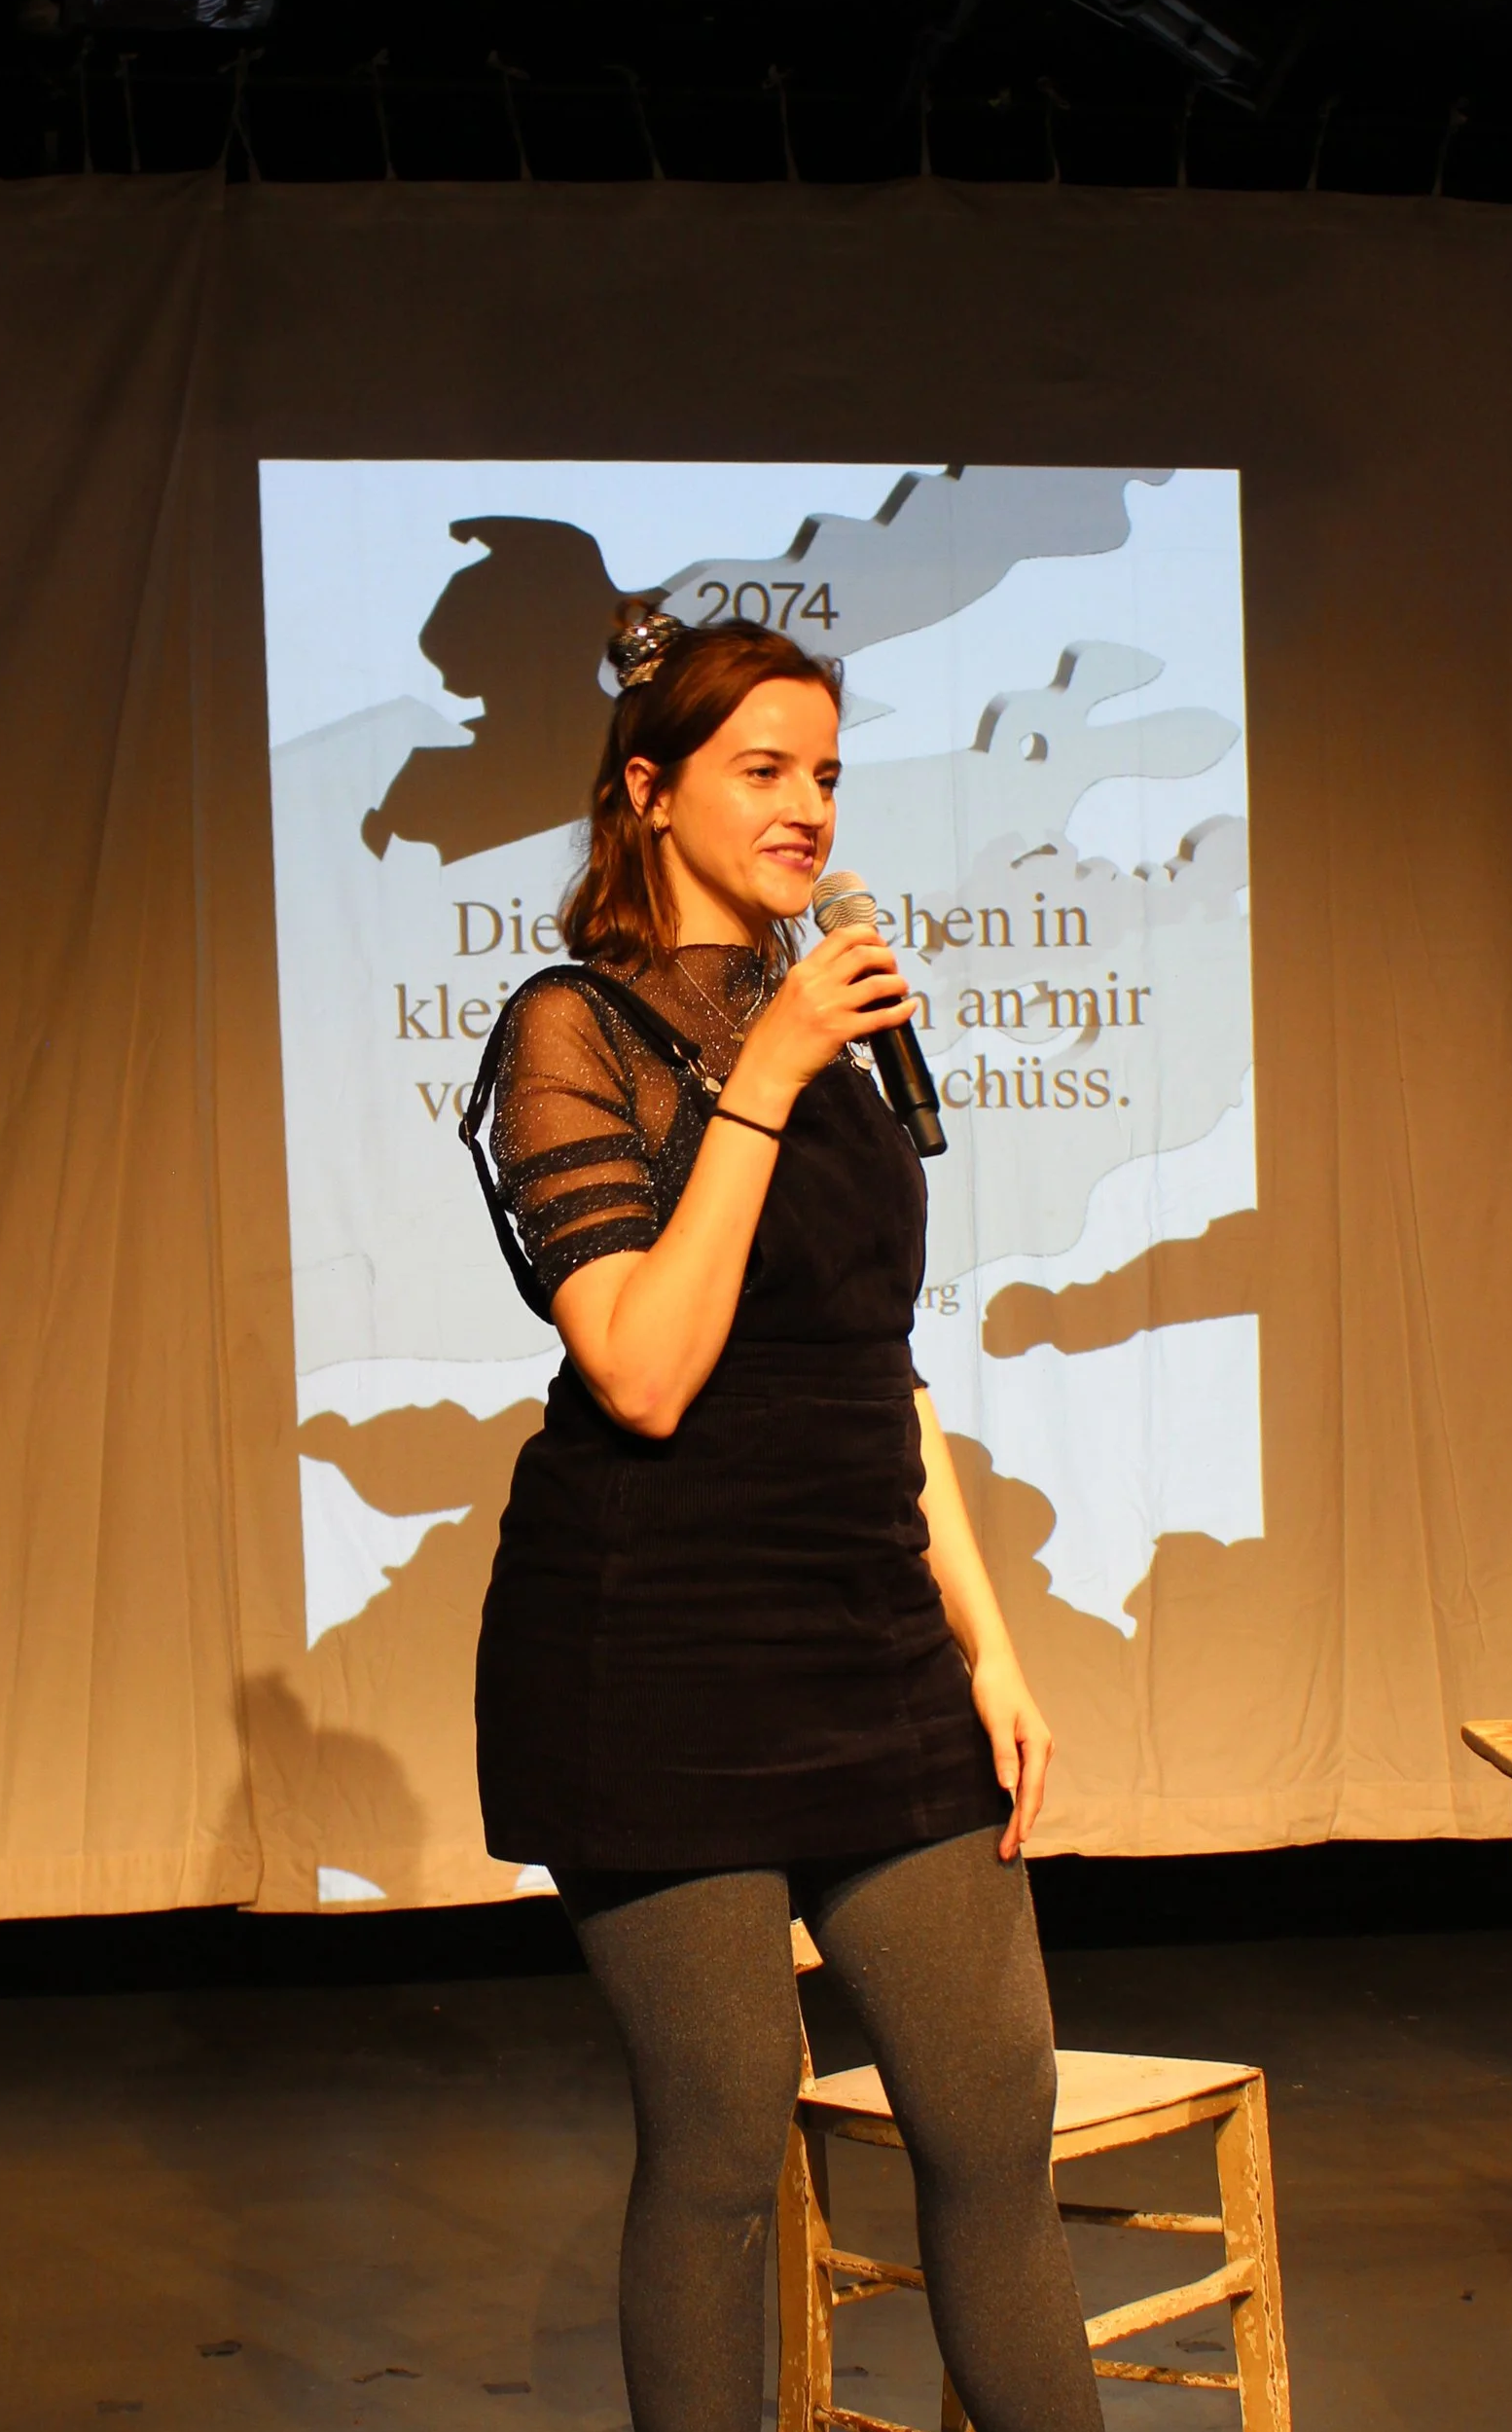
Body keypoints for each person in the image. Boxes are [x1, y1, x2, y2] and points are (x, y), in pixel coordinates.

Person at [464, 606, 1102, 2432]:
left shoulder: (830, 1037)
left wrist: (987, 1645)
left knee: (992, 2113)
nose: (807, 806)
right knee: (724, 2133)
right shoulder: (571, 1029)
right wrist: (763, 1072)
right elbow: (644, 1369)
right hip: (652, 1651)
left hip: (863, 1631)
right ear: (647, 791)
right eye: (760, 769)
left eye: (824, 771)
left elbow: (875, 1371)